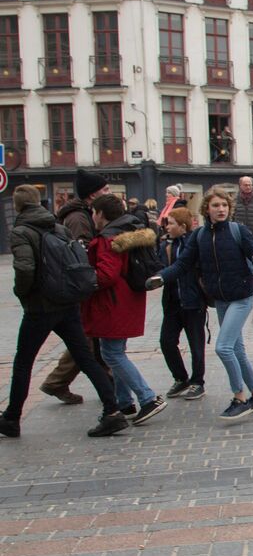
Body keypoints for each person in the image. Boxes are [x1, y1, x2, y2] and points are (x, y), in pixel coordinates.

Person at [1, 184, 129, 438]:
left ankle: (12, 418)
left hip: (41, 306)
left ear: (17, 206)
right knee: (85, 357)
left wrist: (22, 292)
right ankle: (113, 410)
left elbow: (25, 269)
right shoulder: (57, 226)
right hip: (67, 302)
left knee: (24, 362)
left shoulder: (22, 231)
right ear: (38, 202)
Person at [151, 186, 253, 423]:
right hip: (221, 299)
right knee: (237, 349)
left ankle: (239, 398)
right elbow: (183, 264)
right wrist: (162, 277)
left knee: (223, 348)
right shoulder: (200, 236)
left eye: (224, 205)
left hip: (242, 297)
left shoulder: (238, 230)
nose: (221, 209)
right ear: (207, 209)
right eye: (216, 206)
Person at [86, 194, 166, 425]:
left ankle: (147, 398)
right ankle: (124, 401)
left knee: (111, 353)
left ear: (101, 214)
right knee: (115, 351)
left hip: (112, 303)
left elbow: (107, 275)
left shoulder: (107, 239)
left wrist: (86, 277)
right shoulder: (129, 232)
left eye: (93, 212)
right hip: (127, 299)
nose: (92, 217)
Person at [40, 167, 110, 405]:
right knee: (85, 337)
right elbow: (81, 254)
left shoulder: (83, 213)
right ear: (92, 195)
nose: (108, 192)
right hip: (78, 285)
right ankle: (57, 382)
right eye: (104, 189)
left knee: (89, 336)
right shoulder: (79, 218)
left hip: (78, 285)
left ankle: (102, 378)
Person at [157, 207, 207, 401]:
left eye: (170, 223)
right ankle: (180, 378)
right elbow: (162, 267)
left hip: (193, 300)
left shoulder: (194, 244)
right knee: (166, 341)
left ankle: (198, 382)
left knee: (196, 344)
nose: (167, 227)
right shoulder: (166, 246)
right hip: (172, 301)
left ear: (182, 226)